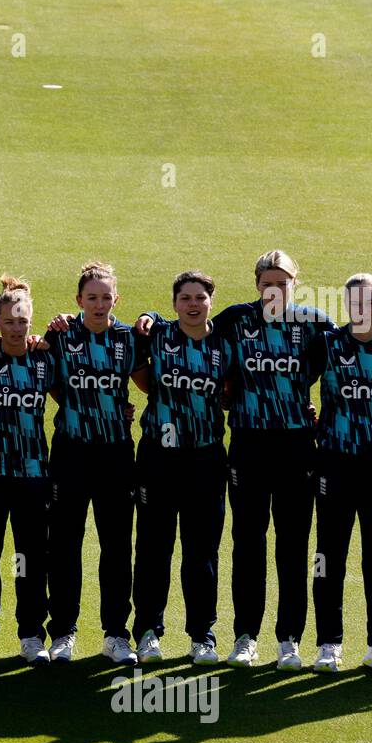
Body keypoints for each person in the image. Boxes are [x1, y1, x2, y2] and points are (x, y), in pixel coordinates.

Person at [140, 251, 372, 670]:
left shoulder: (314, 325)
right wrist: (147, 314)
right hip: (247, 447)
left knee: (293, 546)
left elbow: (353, 337)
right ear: (256, 284)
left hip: (297, 449)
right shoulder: (235, 320)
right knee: (248, 543)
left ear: (295, 285)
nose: (275, 290)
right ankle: (246, 637)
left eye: (283, 283)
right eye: (268, 283)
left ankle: (290, 640)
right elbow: (185, 323)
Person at [306, 274, 372, 673]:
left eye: (371, 303)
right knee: (327, 556)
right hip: (334, 461)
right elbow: (298, 382)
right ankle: (328, 643)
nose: (362, 310)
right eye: (355, 303)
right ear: (345, 305)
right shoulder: (329, 343)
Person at [41, 262, 143, 664]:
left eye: (106, 297)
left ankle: (116, 634)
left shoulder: (130, 338)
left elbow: (149, 381)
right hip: (70, 452)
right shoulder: (60, 336)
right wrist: (82, 409)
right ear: (78, 300)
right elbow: (44, 381)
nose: (99, 304)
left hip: (117, 454)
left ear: (116, 300)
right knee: (64, 544)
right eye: (91, 297)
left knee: (116, 546)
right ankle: (63, 633)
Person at [130, 272, 233, 665]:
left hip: (205, 459)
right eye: (186, 297)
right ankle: (148, 632)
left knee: (201, 552)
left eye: (201, 298)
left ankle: (202, 635)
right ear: (174, 303)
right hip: (158, 456)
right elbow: (142, 378)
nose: (193, 304)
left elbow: (231, 392)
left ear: (211, 301)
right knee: (154, 547)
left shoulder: (225, 343)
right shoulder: (157, 335)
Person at [0, 276, 57, 663]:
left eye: (24, 321)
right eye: (10, 321)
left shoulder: (45, 358)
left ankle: (31, 634)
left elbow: (73, 398)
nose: (17, 329)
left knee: (28, 557)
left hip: (34, 476)